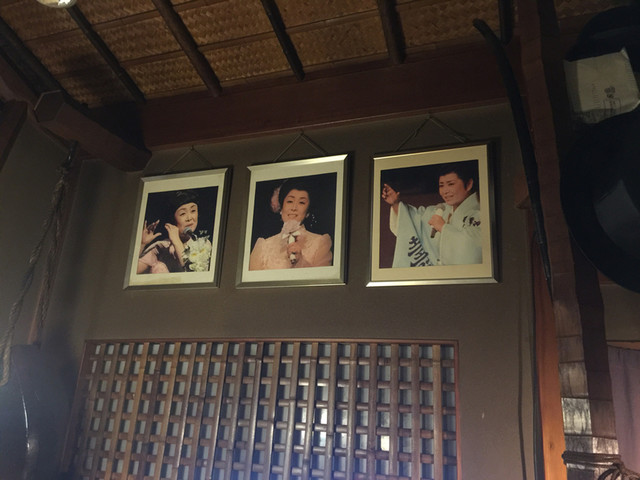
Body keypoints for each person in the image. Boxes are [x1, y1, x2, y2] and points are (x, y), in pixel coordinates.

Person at [381, 160, 481, 267]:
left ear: (469, 184)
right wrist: (395, 204)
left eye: (451, 184)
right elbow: (412, 220)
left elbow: (473, 251)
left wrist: (443, 228)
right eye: (441, 185)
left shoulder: (479, 214)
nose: (445, 191)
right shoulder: (440, 210)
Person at [249, 178, 333, 270]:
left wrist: (300, 261)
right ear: (281, 208)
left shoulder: (320, 243)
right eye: (289, 201)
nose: (294, 208)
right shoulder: (263, 246)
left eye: (301, 202)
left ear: (308, 212)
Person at [138, 190, 211, 273]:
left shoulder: (203, 244)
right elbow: (135, 270)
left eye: (193, 211)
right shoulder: (162, 246)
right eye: (183, 214)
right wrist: (142, 244)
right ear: (172, 219)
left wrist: (176, 241)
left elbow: (193, 272)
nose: (189, 218)